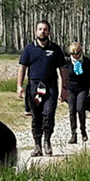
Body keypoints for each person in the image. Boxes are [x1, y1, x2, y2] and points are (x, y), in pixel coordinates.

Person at [17, 20, 67, 157]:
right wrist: (19, 86)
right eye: (40, 29)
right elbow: (22, 68)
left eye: (45, 29)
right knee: (36, 116)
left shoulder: (55, 49)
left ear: (49, 32)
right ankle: (37, 145)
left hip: (50, 87)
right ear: (36, 31)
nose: (42, 31)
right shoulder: (29, 48)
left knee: (49, 114)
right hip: (34, 87)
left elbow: (63, 70)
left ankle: (47, 141)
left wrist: (64, 89)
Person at [65, 42, 90, 144]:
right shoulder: (67, 62)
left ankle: (83, 130)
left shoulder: (86, 61)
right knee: (71, 111)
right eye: (73, 54)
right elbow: (63, 75)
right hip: (71, 89)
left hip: (83, 88)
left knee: (80, 109)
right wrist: (62, 90)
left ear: (81, 52)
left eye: (77, 53)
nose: (75, 55)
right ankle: (73, 134)